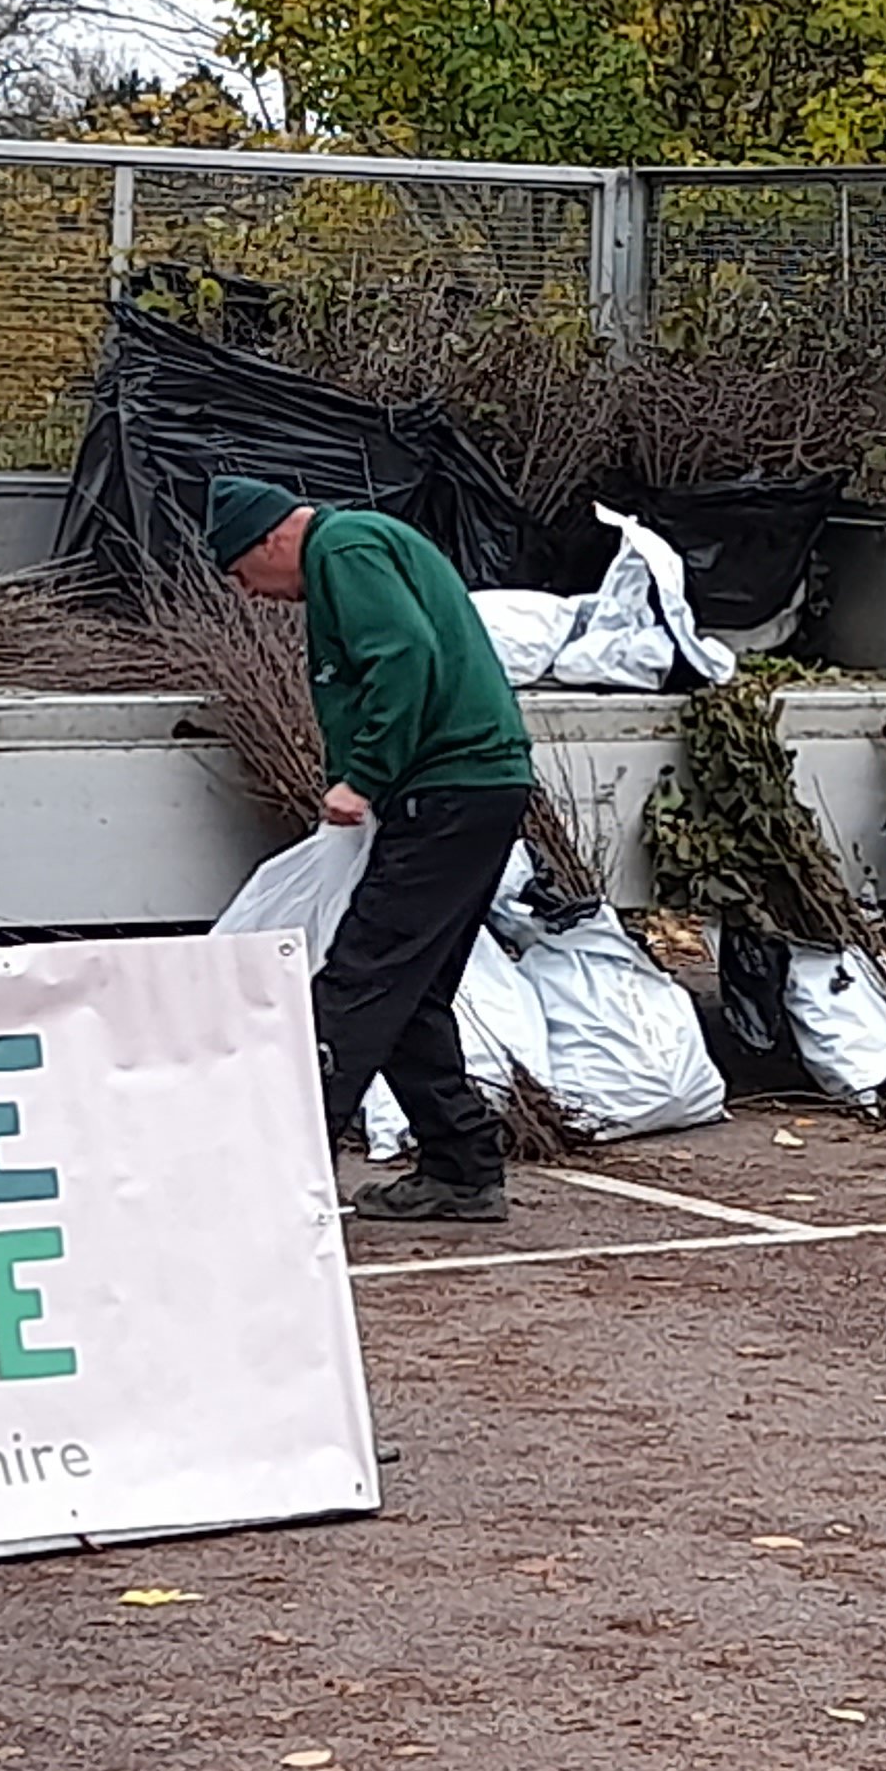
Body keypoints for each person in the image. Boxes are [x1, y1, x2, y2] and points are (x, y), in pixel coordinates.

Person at [210, 475, 540, 1225]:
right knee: (409, 993)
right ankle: (461, 1169)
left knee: (356, 982)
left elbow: (402, 654)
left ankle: (286, 1176)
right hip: (473, 790)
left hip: (447, 790)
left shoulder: (345, 547)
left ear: (272, 540)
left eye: (241, 573)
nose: (249, 594)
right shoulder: (353, 548)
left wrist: (364, 776)